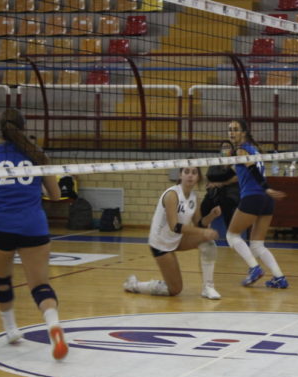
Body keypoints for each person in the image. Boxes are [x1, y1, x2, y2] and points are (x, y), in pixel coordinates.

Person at [0, 108, 68, 360]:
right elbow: (56, 196)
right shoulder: (37, 154)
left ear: (0, 129)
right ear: (23, 127)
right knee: (40, 284)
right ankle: (53, 326)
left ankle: (11, 329)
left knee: (1, 279)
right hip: (33, 226)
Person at [123, 166, 223, 299]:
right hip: (160, 243)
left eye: (194, 173)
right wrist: (203, 232)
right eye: (186, 172)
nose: (190, 176)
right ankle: (135, 285)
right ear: (180, 175)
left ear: (198, 177)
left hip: (177, 239)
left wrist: (211, 216)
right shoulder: (172, 194)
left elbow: (198, 223)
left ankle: (208, 288)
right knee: (175, 290)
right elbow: (174, 226)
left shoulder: (194, 198)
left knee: (208, 243)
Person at [224, 119, 289, 289]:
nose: (231, 132)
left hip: (254, 196)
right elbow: (245, 172)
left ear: (243, 133)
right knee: (257, 244)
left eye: (235, 129)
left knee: (231, 236)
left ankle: (254, 268)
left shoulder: (241, 150)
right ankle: (279, 278)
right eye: (230, 129)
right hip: (265, 201)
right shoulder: (252, 150)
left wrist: (266, 188)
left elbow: (252, 170)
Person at [200, 141, 240, 229]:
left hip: (231, 193)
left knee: (226, 206)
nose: (226, 149)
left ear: (232, 150)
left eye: (228, 147)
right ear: (220, 150)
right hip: (215, 194)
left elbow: (236, 178)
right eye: (224, 147)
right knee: (204, 205)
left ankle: (231, 232)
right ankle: (203, 229)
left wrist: (219, 183)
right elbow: (209, 178)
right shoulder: (215, 163)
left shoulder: (236, 162)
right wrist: (215, 183)